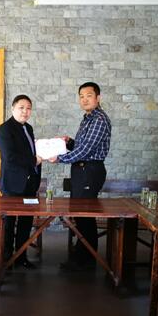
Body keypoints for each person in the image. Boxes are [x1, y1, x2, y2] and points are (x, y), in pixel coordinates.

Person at [49, 82, 111, 270]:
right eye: (81, 96)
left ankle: (84, 259)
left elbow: (86, 151)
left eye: (89, 96)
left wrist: (59, 158)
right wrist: (69, 143)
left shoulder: (99, 119)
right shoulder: (87, 118)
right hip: (82, 170)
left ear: (98, 98)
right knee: (81, 215)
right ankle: (84, 257)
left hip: (89, 171)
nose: (84, 99)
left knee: (84, 215)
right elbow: (81, 146)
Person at [0, 95, 42, 269]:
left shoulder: (28, 128)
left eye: (28, 108)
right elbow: (9, 156)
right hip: (12, 184)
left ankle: (21, 257)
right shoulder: (5, 129)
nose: (25, 111)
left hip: (30, 183)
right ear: (13, 109)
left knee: (26, 222)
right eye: (21, 107)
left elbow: (30, 151)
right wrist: (34, 160)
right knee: (9, 223)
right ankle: (7, 258)